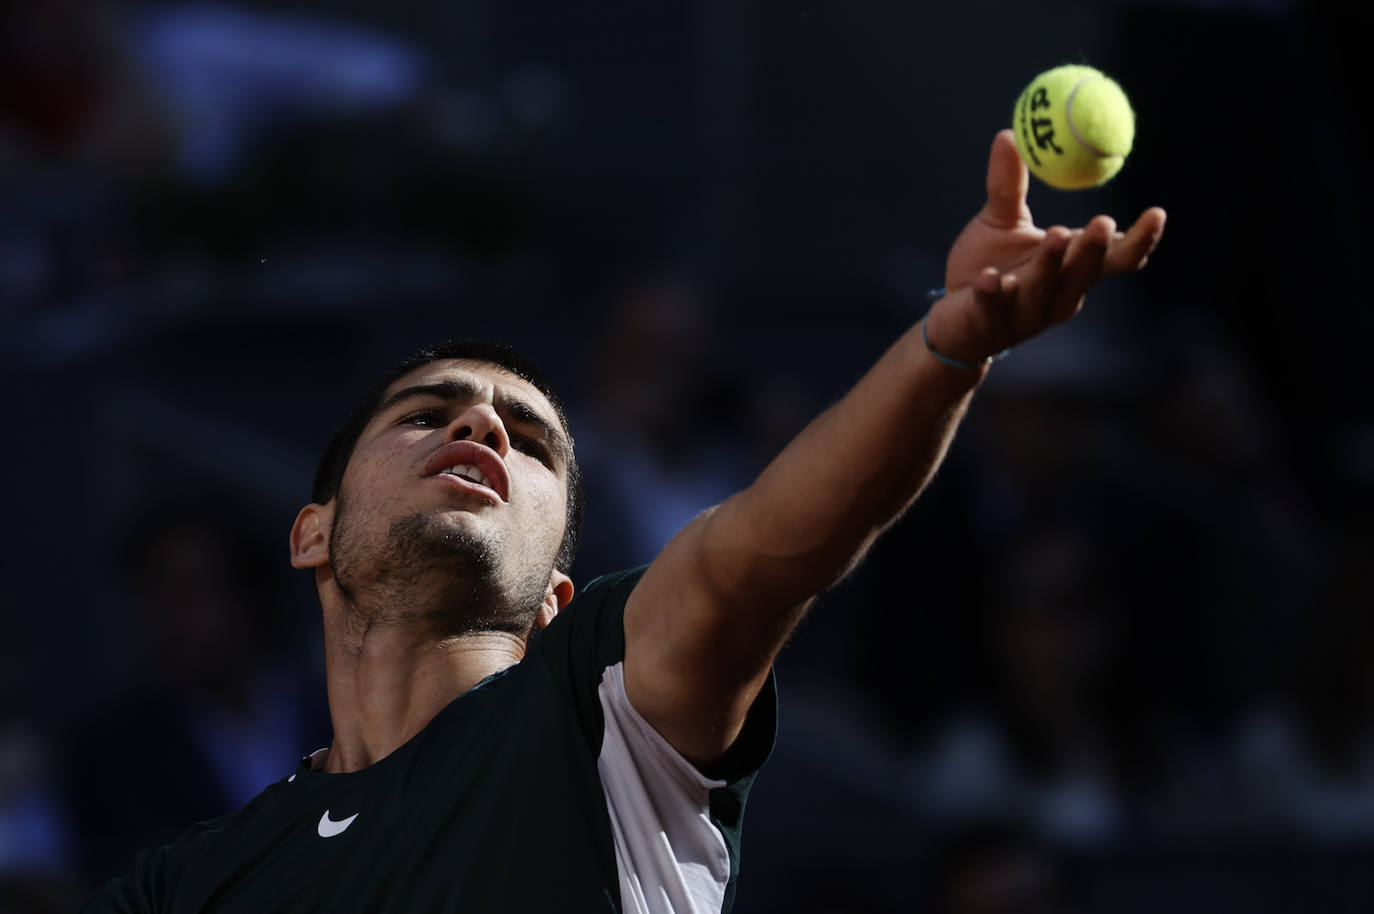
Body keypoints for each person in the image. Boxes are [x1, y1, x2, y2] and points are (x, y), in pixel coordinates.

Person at [82, 131, 1165, 913]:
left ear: (559, 591)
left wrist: (946, 349)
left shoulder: (599, 712)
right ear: (311, 531)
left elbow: (762, 553)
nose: (480, 424)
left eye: (532, 438)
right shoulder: (192, 879)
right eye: (428, 411)